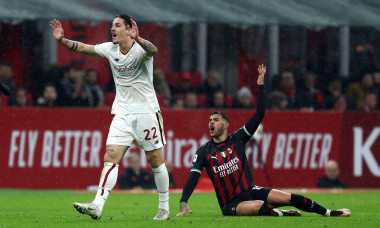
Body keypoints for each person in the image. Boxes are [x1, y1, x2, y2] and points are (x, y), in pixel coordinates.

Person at [177, 64, 350, 218]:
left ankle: (329, 213)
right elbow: (193, 177)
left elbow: (259, 114)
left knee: (290, 198)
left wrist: (260, 86)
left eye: (215, 120)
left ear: (225, 124)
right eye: (209, 121)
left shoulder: (238, 138)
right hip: (231, 204)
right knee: (258, 206)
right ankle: (283, 214)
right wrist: (184, 201)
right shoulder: (203, 151)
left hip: (251, 191)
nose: (211, 123)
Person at [50, 14, 170, 220]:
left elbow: (154, 50)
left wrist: (139, 38)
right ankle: (97, 204)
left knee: (155, 161)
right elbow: (83, 47)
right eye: (111, 26)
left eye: (117, 26)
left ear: (128, 29)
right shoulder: (110, 49)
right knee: (110, 158)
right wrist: (62, 40)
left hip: (146, 112)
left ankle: (164, 208)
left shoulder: (140, 49)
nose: (112, 29)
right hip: (121, 113)